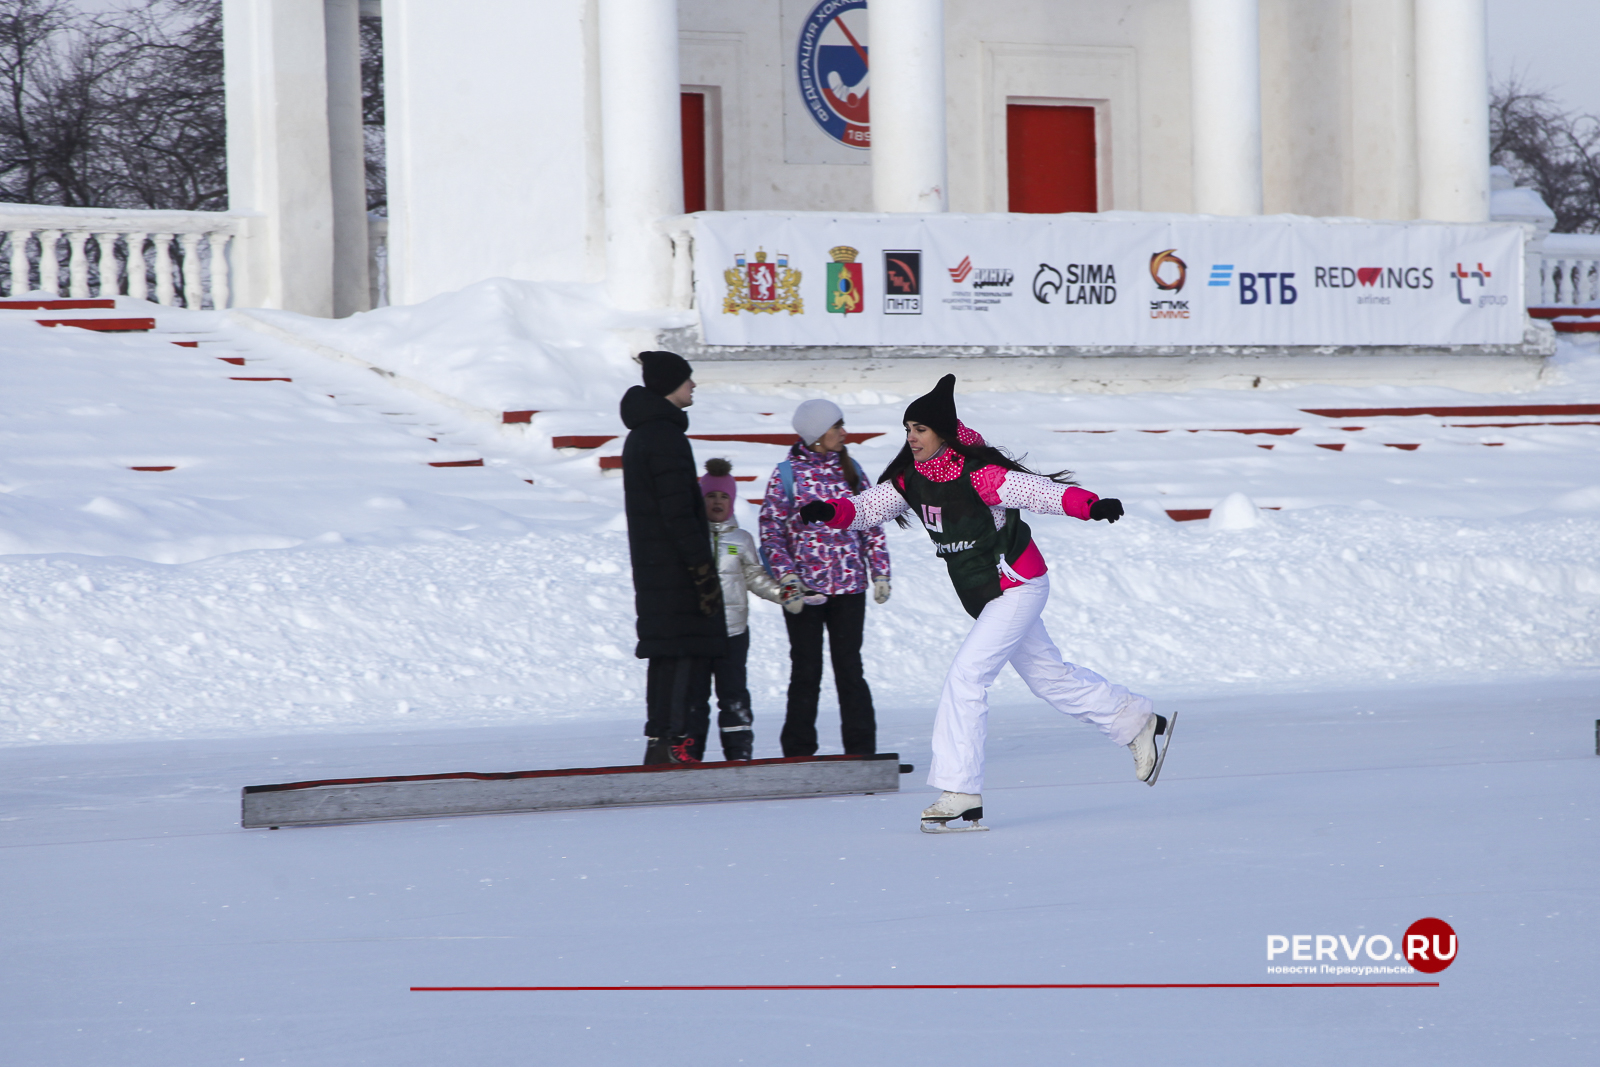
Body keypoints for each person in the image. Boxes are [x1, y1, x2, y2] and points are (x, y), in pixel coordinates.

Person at [798, 375, 1172, 832]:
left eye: (919, 429)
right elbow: (868, 508)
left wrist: (1089, 505)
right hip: (987, 596)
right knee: (1050, 679)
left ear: (943, 433)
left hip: (1017, 584)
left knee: (967, 676)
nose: (911, 438)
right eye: (907, 429)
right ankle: (1137, 722)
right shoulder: (911, 480)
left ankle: (960, 790)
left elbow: (1039, 493)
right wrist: (829, 512)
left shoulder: (981, 475)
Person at [758, 398, 891, 757]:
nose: (844, 433)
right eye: (837, 426)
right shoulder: (787, 474)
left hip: (850, 588)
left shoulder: (852, 470)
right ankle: (799, 752)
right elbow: (771, 530)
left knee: (850, 669)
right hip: (804, 591)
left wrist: (880, 571)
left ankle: (862, 750)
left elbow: (871, 520)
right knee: (806, 671)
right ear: (817, 434)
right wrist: (787, 578)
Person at [619, 351, 726, 765]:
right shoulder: (664, 437)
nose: (693, 386)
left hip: (656, 567)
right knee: (682, 652)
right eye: (687, 380)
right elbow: (678, 511)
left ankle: (660, 741)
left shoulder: (645, 434)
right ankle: (675, 744)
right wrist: (701, 570)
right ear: (669, 386)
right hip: (675, 568)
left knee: (665, 654)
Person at [685, 458, 787, 761]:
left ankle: (739, 750)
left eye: (724, 496)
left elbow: (755, 577)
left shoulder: (741, 540)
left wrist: (783, 594)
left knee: (733, 694)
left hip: (733, 631)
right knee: (694, 696)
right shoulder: (691, 537)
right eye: (711, 496)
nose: (718, 502)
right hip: (697, 632)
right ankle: (690, 750)